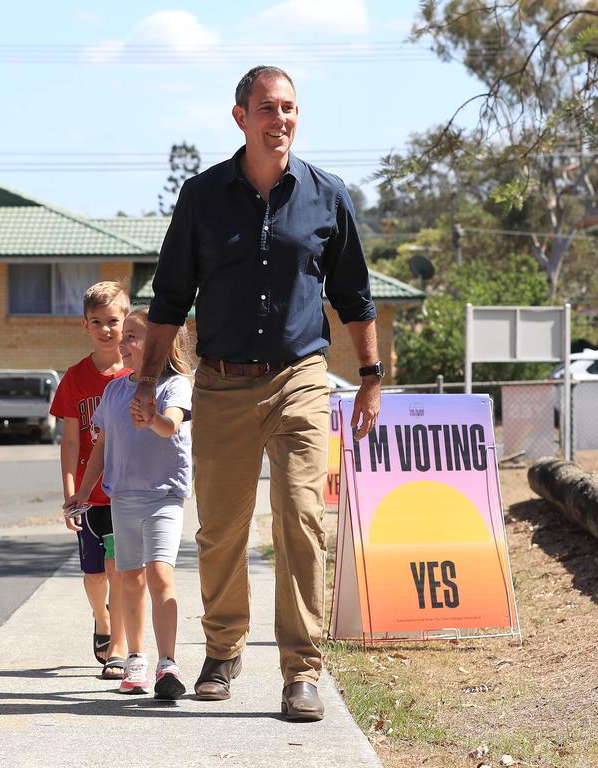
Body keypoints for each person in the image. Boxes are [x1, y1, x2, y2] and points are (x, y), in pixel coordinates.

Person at [134, 65, 382, 721]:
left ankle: (302, 671)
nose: (282, 119)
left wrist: (371, 377)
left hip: (299, 376)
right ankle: (222, 652)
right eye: (268, 107)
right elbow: (169, 298)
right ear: (240, 116)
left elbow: (355, 296)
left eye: (291, 108)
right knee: (220, 530)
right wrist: (146, 379)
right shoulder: (202, 196)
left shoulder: (328, 196)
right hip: (218, 381)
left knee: (301, 522)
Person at [66, 307, 193, 700]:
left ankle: (167, 662)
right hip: (123, 497)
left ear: (159, 346)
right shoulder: (115, 390)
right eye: (126, 336)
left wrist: (152, 418)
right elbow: (102, 444)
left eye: (133, 337)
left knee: (159, 574)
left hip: (164, 496)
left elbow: (171, 423)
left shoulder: (175, 385)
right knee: (130, 578)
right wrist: (83, 492)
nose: (124, 343)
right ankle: (136, 658)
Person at [49, 281, 132, 679]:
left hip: (126, 493)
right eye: (97, 322)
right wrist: (70, 494)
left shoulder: (137, 376)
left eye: (113, 321)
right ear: (84, 324)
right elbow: (69, 440)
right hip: (89, 494)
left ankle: (117, 644)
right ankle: (101, 618)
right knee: (95, 574)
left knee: (119, 568)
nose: (106, 330)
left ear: (126, 321)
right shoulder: (76, 377)